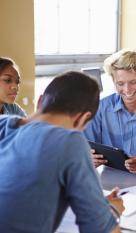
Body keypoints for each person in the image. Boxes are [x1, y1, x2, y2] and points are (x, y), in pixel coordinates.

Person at [0, 71, 123, 233]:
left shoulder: (3, 124)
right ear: (82, 119)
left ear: (40, 101)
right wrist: (112, 211)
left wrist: (97, 205)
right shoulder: (70, 141)